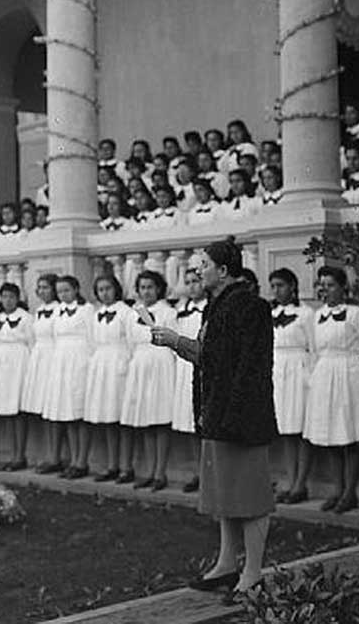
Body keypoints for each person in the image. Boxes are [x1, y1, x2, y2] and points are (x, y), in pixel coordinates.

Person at [151, 239, 277, 602]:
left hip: (241, 418)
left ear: (223, 270)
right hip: (218, 414)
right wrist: (176, 343)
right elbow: (214, 358)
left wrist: (180, 342)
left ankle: (252, 573)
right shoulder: (216, 308)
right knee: (225, 492)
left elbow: (244, 367)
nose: (196, 271)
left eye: (203, 265)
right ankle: (226, 564)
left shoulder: (249, 307)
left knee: (249, 495)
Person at [303, 266, 359, 514]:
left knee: (350, 435)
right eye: (321, 284)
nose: (325, 289)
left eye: (330, 284)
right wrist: (313, 377)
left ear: (343, 287)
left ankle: (350, 492)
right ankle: (336, 488)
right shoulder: (316, 315)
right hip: (325, 374)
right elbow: (312, 350)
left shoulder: (356, 314)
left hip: (349, 373)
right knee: (331, 435)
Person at [119, 271, 177, 490]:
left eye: (150, 287)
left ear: (159, 289)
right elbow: (131, 342)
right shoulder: (132, 314)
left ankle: (161, 473)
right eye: (142, 287)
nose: (146, 291)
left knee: (160, 419)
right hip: (141, 363)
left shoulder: (168, 312)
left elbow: (174, 341)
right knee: (145, 420)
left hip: (160, 362)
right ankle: (150, 471)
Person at [268, 268, 315, 505]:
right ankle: (290, 478)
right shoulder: (271, 312)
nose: (277, 291)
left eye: (281, 285)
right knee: (286, 429)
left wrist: (312, 377)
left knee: (300, 428)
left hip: (299, 371)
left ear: (293, 286)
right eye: (273, 286)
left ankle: (301, 483)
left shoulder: (306, 314)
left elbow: (314, 347)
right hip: (278, 371)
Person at [80, 274, 134, 481]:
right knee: (107, 418)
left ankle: (126, 467)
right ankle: (112, 465)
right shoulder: (97, 313)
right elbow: (93, 341)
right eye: (100, 290)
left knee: (123, 418)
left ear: (117, 289)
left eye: (108, 289)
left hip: (119, 365)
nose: (104, 293)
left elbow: (131, 341)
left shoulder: (126, 312)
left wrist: (125, 364)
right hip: (102, 366)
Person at [41, 275, 94, 478]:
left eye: (67, 290)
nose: (63, 295)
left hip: (80, 362)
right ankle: (72, 460)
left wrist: (88, 364)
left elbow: (92, 338)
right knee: (67, 412)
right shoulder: (57, 311)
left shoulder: (86, 310)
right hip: (61, 363)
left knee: (80, 412)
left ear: (76, 289)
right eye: (60, 291)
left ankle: (82, 461)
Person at [0, 283, 34, 468]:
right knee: (6, 410)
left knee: (18, 410)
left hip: (19, 362)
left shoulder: (26, 318)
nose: (7, 301)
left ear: (17, 298)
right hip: (2, 363)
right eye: (4, 297)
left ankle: (20, 455)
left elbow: (32, 342)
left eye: (11, 297)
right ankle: (10, 454)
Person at [172, 267, 207, 492]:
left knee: (206, 421)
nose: (192, 286)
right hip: (185, 370)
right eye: (188, 282)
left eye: (196, 281)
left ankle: (210, 472)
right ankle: (199, 471)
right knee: (191, 423)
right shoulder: (181, 309)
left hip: (203, 367)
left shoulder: (211, 309)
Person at [22, 274, 60, 471]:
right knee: (42, 410)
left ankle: (55, 456)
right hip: (39, 359)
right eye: (40, 288)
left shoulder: (59, 310)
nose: (42, 291)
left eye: (46, 287)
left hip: (53, 358)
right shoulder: (38, 311)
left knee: (53, 408)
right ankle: (47, 454)